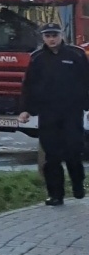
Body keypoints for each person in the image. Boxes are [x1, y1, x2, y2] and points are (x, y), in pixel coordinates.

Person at [18, 23, 89, 205]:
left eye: (54, 35)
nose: (51, 39)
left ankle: (78, 185)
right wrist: (25, 109)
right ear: (43, 37)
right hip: (48, 113)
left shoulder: (76, 55)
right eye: (48, 36)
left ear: (61, 36)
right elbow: (29, 85)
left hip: (72, 112)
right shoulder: (37, 58)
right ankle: (56, 195)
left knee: (73, 151)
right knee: (51, 156)